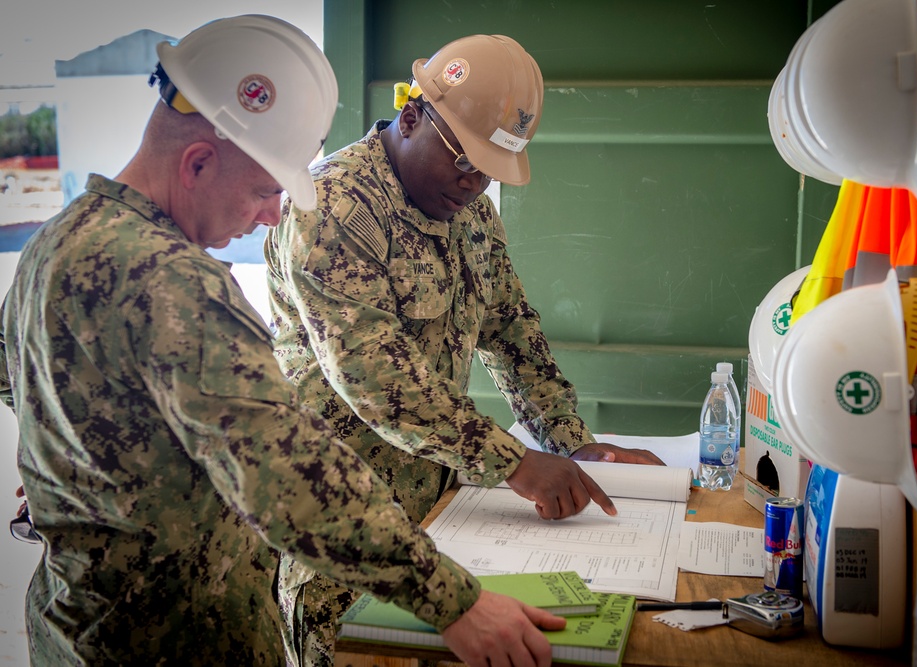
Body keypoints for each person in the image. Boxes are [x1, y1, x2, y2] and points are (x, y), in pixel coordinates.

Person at [0, 16, 570, 666]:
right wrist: (455, 600)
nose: (273, 215)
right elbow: (294, 477)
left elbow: (16, 371)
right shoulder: (176, 283)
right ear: (198, 162)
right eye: (267, 189)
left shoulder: (58, 239)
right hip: (180, 634)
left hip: (77, 626)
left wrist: (67, 461)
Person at [264, 33, 665, 660]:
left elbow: (511, 329)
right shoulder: (334, 208)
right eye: (463, 160)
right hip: (343, 532)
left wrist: (567, 437)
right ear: (412, 114)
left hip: (441, 520)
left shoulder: (467, 210)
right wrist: (515, 462)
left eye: (489, 169)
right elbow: (375, 379)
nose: (475, 183)